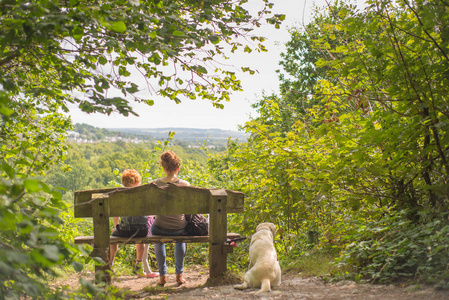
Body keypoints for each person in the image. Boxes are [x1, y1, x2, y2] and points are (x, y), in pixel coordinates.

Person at [109, 169, 159, 278]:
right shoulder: (143, 195)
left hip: (125, 230)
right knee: (140, 239)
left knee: (113, 238)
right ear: (137, 182)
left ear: (124, 183)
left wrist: (115, 226)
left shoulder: (120, 195)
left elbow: (115, 213)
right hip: (141, 230)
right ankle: (138, 266)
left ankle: (110, 265)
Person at [151, 150, 189, 286]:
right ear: (177, 168)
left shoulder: (155, 184)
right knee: (181, 239)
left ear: (163, 168)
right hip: (179, 228)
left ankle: (162, 276)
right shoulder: (185, 185)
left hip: (160, 228)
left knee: (156, 236)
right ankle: (179, 275)